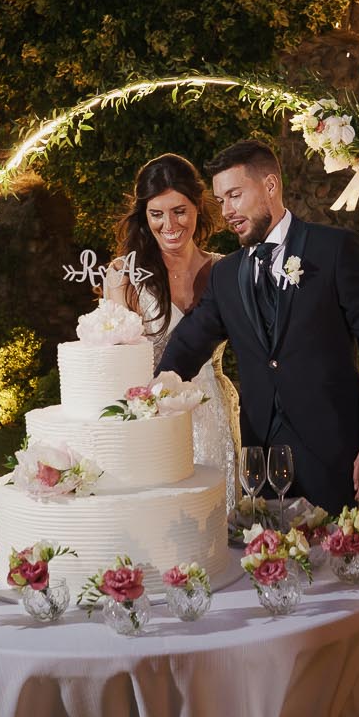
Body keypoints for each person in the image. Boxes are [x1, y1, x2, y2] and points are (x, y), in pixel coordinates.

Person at [157, 139, 359, 515]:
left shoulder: (334, 250)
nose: (227, 211)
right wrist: (153, 393)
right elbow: (189, 344)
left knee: (334, 551)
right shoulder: (226, 274)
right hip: (260, 460)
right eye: (220, 200)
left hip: (333, 452)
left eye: (235, 195)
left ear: (270, 185)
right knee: (264, 552)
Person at [102, 154, 241, 512]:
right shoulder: (124, 276)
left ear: (198, 206)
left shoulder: (225, 270)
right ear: (144, 216)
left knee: (215, 518)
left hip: (212, 414)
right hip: (152, 420)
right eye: (157, 214)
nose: (169, 225)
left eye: (179, 211)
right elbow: (114, 363)